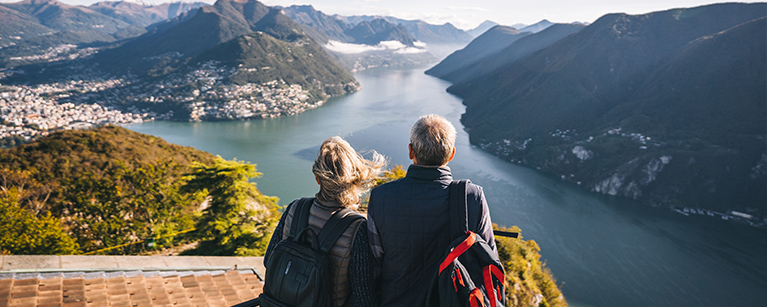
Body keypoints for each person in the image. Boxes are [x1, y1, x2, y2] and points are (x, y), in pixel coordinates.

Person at [367, 114, 497, 306]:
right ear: (452, 154)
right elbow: (488, 259)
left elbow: (374, 264)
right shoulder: (471, 196)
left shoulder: (380, 196)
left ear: (411, 151)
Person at [264, 136, 385, 307]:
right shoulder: (357, 228)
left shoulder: (295, 208)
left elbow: (269, 259)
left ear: (317, 179)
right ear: (353, 180)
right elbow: (363, 297)